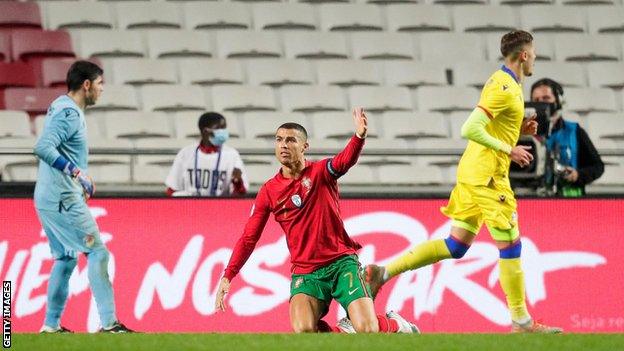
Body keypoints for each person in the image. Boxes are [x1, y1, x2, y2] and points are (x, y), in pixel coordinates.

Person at [365, 31, 562, 333]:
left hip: (474, 172)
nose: (535, 57)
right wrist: (509, 148)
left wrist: (520, 128)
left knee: (456, 245)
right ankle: (521, 321)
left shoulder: (504, 81)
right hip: (488, 177)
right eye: (533, 52)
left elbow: (494, 125)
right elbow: (469, 128)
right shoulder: (505, 87)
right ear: (523, 55)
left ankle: (383, 272)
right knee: (510, 244)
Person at [214, 109, 417, 334]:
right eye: (279, 140)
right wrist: (228, 275)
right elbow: (249, 238)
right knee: (304, 331)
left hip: (341, 264)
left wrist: (358, 137)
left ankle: (398, 324)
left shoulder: (321, 172)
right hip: (306, 272)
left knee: (368, 330)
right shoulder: (269, 191)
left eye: (291, 140)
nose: (283, 145)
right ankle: (344, 331)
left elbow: (344, 162)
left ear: (304, 147)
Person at [33, 61, 133, 333]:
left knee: (65, 258)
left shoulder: (60, 105)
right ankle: (110, 323)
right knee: (97, 251)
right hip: (62, 198)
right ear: (86, 84)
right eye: (100, 84)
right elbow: (42, 147)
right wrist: (77, 173)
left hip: (49, 195)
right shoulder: (70, 114)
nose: (102, 90)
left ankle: (51, 326)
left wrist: (78, 181)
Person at [530, 78, 604, 197]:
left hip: (571, 202)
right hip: (531, 201)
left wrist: (577, 175)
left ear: (559, 101)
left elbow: (597, 166)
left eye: (546, 98)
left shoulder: (575, 131)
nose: (541, 104)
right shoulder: (522, 135)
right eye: (536, 100)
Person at [165, 112, 248, 197]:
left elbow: (241, 194)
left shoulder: (231, 154)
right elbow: (172, 189)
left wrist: (237, 181)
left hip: (219, 206)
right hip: (190, 206)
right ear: (205, 131)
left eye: (224, 128)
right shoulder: (186, 153)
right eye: (219, 128)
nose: (224, 132)